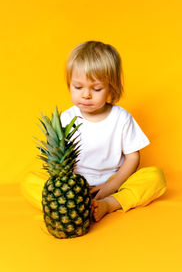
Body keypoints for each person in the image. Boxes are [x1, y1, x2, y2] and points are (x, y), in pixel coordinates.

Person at [21, 40, 167, 222]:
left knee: (155, 176)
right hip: (71, 186)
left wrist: (112, 185)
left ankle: (108, 204)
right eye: (78, 87)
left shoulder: (121, 118)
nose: (86, 95)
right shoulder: (65, 119)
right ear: (69, 84)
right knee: (29, 180)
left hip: (113, 181)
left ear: (111, 88)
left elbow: (133, 157)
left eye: (96, 88)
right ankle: (71, 208)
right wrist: (66, 188)